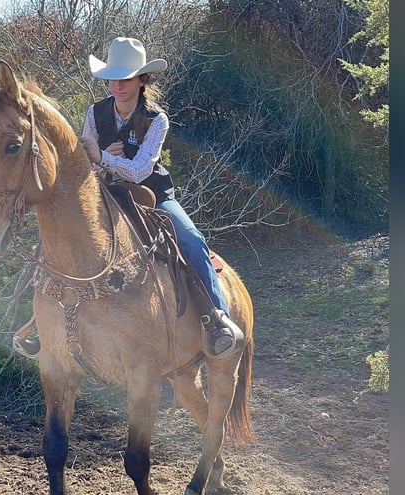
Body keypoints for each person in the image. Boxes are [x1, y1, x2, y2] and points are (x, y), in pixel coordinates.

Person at [14, 37, 242, 359]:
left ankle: (217, 319)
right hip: (105, 194)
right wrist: (99, 156)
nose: (117, 86)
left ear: (142, 79)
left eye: (126, 78)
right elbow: (84, 162)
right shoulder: (96, 113)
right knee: (57, 243)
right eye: (112, 78)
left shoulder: (156, 119)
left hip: (152, 195)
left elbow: (138, 170)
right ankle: (40, 324)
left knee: (191, 239)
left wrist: (102, 157)